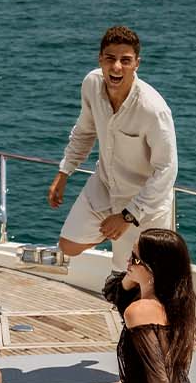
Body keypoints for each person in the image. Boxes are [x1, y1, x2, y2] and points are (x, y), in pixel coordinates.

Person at [54, 228, 196, 383]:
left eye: (135, 258)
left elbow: (160, 382)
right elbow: (114, 293)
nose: (128, 261)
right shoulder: (174, 301)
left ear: (153, 269)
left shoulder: (140, 310)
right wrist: (134, 276)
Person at [47, 25, 178, 281]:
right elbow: (84, 131)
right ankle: (111, 235)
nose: (116, 67)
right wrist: (64, 173)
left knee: (139, 280)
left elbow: (166, 169)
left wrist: (127, 216)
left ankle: (123, 247)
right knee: (68, 246)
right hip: (105, 184)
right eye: (110, 58)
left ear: (137, 64)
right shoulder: (91, 84)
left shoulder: (153, 110)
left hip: (144, 203)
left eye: (125, 60)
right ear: (100, 59)